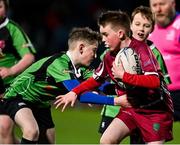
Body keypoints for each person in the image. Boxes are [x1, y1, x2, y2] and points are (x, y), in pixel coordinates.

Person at [55, 10, 173, 144]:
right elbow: (95, 80)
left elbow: (154, 81)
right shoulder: (108, 56)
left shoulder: (141, 49)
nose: (103, 39)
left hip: (155, 111)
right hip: (132, 108)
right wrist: (74, 92)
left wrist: (124, 76)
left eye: (105, 34)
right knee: (106, 140)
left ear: (120, 33)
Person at [0, 26, 122, 144]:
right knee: (31, 131)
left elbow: (102, 85)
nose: (95, 56)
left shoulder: (83, 69)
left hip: (41, 104)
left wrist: (124, 92)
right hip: (17, 97)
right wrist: (116, 101)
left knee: (49, 141)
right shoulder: (59, 64)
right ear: (81, 48)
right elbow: (80, 95)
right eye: (94, 50)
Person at [98, 5, 172, 144]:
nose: (141, 29)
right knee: (107, 140)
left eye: (146, 25)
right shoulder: (113, 49)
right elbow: (100, 77)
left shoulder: (154, 54)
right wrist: (99, 89)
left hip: (143, 110)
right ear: (130, 25)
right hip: (114, 109)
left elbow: (161, 86)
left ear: (152, 28)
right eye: (137, 24)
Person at [0, 0, 36, 144]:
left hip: (8, 87)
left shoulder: (12, 29)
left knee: (4, 127)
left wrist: (10, 70)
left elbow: (29, 57)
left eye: (0, 6)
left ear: (6, 9)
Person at [149, 0, 180, 122]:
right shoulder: (145, 27)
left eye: (162, 4)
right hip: (154, 92)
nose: (158, 9)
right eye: (154, 5)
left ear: (173, 4)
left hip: (177, 93)